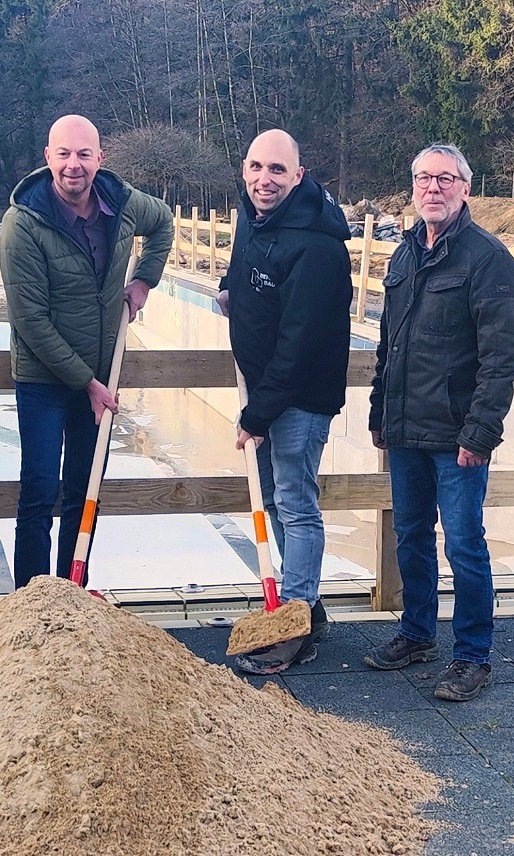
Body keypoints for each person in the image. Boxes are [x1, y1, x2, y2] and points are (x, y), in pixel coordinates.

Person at [363, 143, 514, 702]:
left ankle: (472, 655)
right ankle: (416, 632)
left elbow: (504, 357)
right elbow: (390, 344)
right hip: (406, 429)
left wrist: (481, 434)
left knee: (463, 544)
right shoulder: (404, 254)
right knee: (410, 537)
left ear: (465, 188)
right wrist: (378, 411)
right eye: (422, 179)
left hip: (457, 437)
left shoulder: (488, 259)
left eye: (445, 179)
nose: (432, 188)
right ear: (412, 188)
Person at [0, 114, 174, 589]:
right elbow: (30, 321)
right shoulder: (23, 224)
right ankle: (31, 604)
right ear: (47, 158)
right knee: (38, 493)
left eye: (83, 154)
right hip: (43, 381)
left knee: (84, 488)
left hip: (99, 375)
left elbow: (165, 226)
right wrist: (88, 383)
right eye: (63, 154)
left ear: (100, 157)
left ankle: (71, 593)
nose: (73, 165)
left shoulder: (123, 203)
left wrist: (142, 281)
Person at [219, 129, 353, 675]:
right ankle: (306, 604)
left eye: (276, 170)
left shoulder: (317, 246)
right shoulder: (254, 215)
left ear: (298, 175)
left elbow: (299, 346)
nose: (262, 179)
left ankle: (293, 626)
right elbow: (244, 264)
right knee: (274, 498)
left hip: (298, 396)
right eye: (255, 167)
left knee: (296, 503)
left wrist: (256, 415)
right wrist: (231, 288)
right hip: (269, 389)